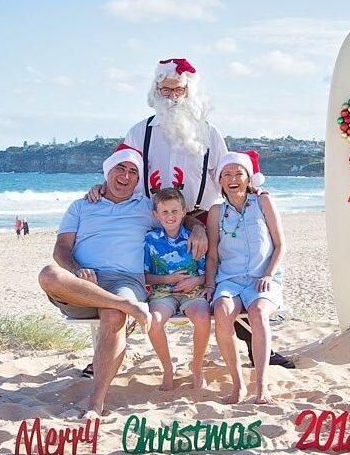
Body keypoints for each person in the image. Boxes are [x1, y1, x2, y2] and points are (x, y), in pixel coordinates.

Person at [86, 58, 294, 375]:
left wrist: (246, 195)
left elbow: (227, 176)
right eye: (164, 89)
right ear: (155, 91)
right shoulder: (139, 131)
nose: (171, 96)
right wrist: (101, 185)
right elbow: (121, 167)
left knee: (225, 272)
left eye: (177, 90)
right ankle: (105, 354)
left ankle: (258, 348)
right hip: (150, 217)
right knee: (129, 272)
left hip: (196, 217)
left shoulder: (209, 134)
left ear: (189, 92)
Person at [38, 148, 207, 416]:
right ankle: (129, 307)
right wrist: (77, 269)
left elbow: (174, 212)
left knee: (113, 314)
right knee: (48, 273)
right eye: (120, 169)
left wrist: (197, 227)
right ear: (108, 171)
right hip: (83, 282)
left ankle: (95, 403)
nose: (126, 176)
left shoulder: (143, 206)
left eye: (133, 172)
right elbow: (61, 248)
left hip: (125, 281)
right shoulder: (81, 205)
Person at [205, 151, 285, 405]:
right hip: (229, 280)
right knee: (222, 311)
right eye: (226, 174)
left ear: (248, 177)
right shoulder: (216, 212)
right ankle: (238, 386)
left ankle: (262, 387)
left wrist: (269, 274)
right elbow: (213, 255)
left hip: (262, 278)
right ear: (220, 180)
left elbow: (280, 245)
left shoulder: (263, 203)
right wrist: (209, 284)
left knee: (258, 313)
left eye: (238, 173)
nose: (232, 179)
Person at [144, 188, 211, 391]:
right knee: (153, 322)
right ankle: (167, 368)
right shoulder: (150, 240)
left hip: (192, 291)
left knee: (202, 318)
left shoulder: (196, 238)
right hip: (162, 293)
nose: (170, 216)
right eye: (164, 212)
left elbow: (208, 272)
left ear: (184, 212)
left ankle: (197, 367)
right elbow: (144, 275)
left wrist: (196, 281)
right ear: (156, 214)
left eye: (175, 211)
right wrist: (168, 278)